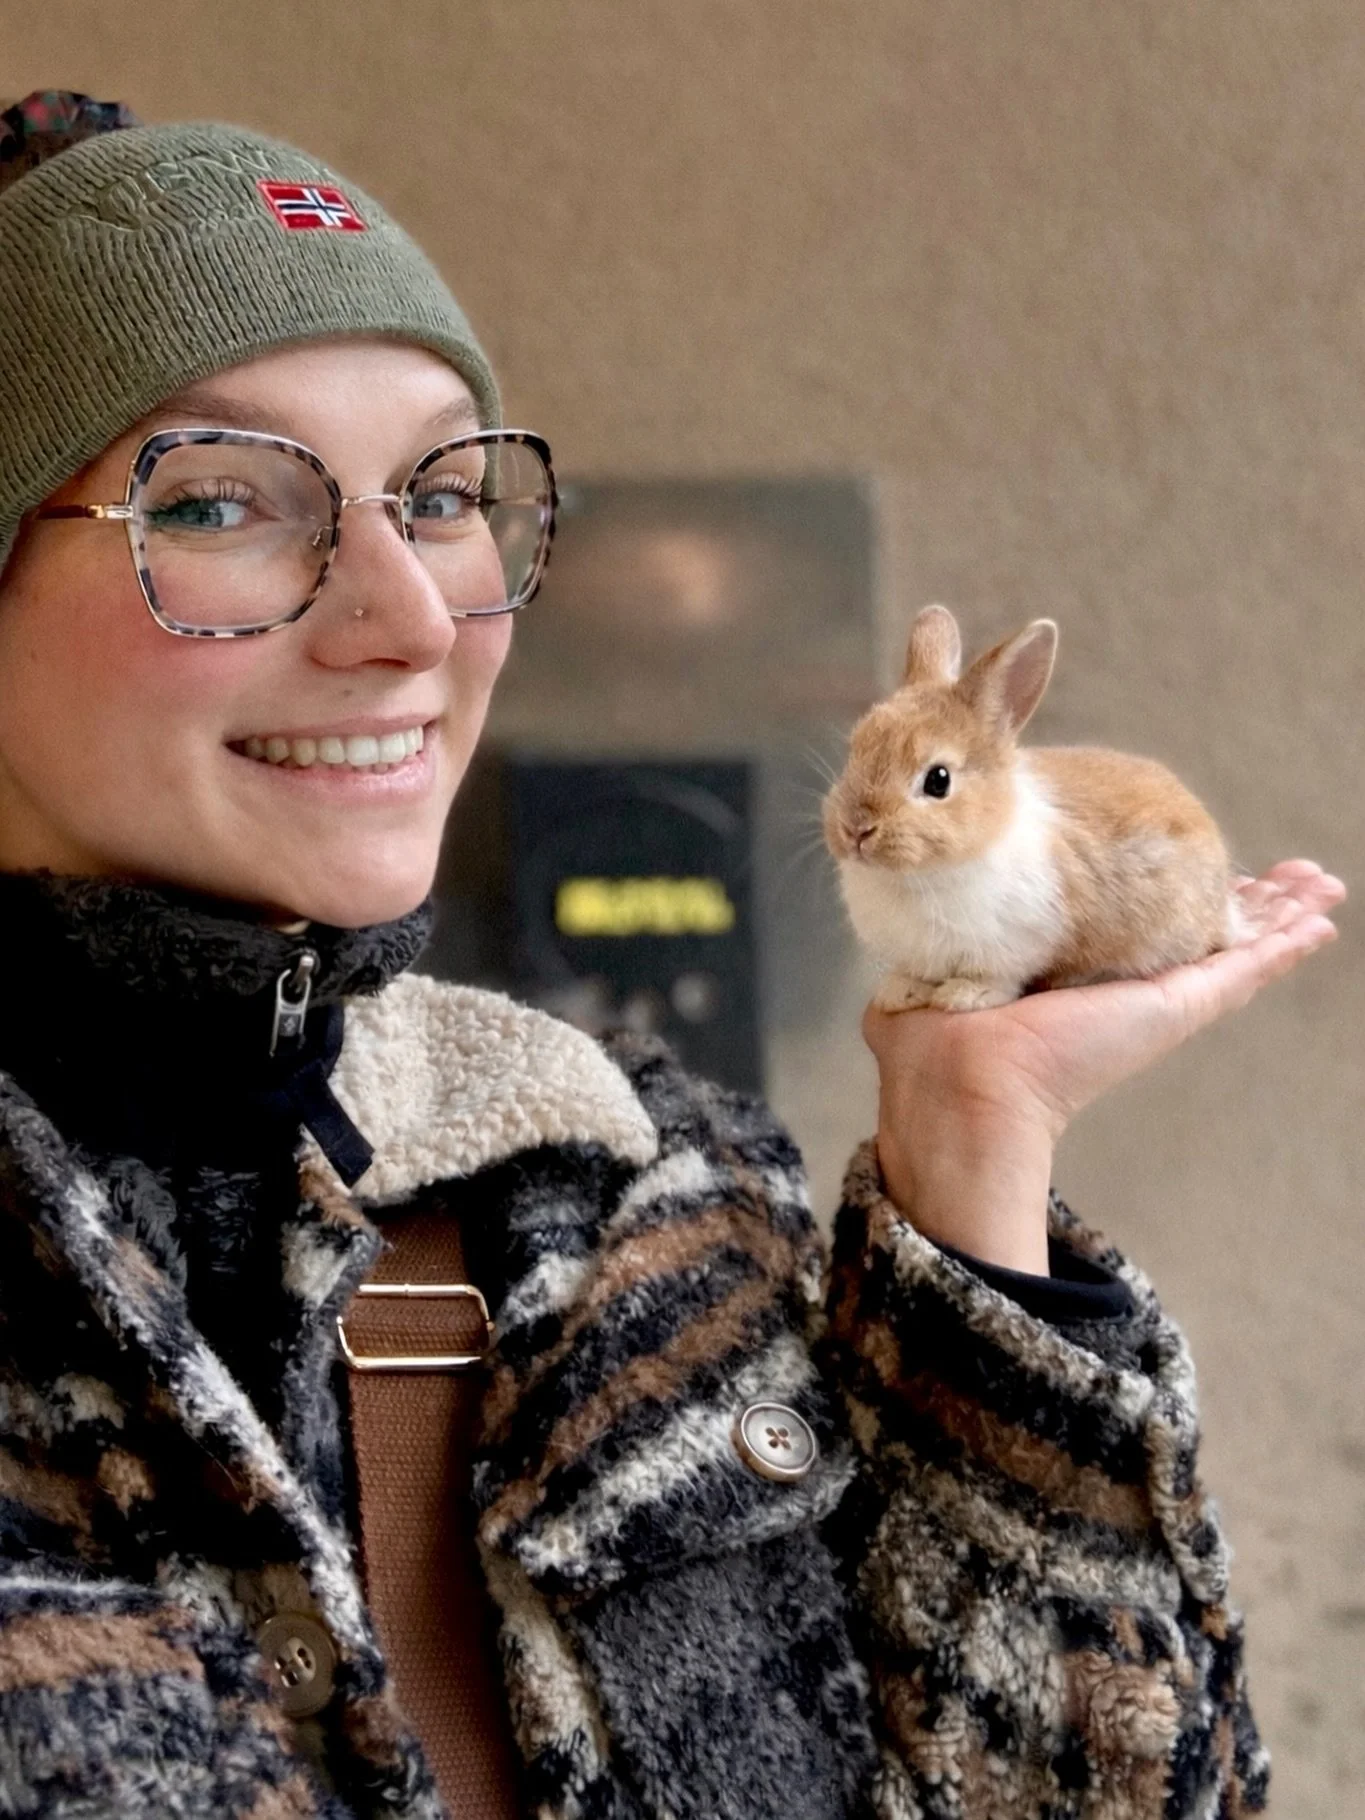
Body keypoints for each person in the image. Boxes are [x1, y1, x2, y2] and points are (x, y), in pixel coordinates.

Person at [0, 90, 1344, 1820]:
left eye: (442, 492)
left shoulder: (649, 1194)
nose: (412, 617)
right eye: (215, 503)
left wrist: (975, 1153)